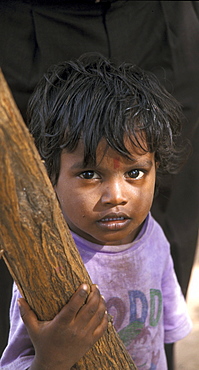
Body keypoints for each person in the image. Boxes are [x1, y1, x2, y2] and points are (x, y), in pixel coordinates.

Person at [0, 55, 192, 370]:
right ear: (50, 177)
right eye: (90, 174)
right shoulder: (47, 264)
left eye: (135, 173)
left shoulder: (153, 236)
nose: (116, 197)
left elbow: (162, 335)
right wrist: (52, 358)